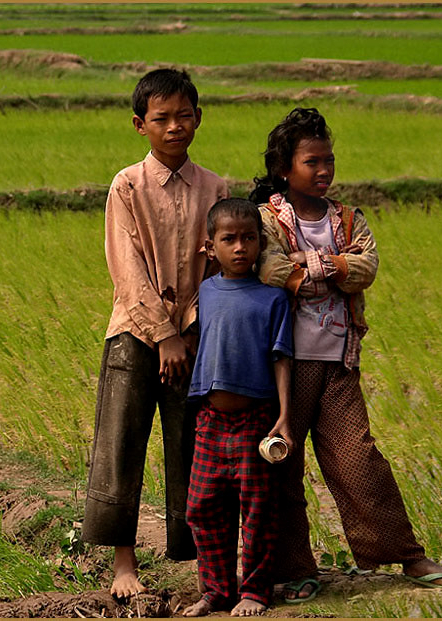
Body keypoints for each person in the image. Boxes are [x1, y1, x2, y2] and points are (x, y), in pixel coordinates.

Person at [250, 107, 442, 603]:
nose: (324, 170)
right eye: (312, 162)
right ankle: (294, 567)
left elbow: (367, 266)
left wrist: (314, 263)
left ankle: (406, 554)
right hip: (287, 364)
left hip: (339, 362)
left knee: (359, 459)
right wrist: (332, 266)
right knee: (283, 462)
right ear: (284, 167)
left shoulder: (347, 217)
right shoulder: (267, 218)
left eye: (330, 161)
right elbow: (273, 270)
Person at [81, 68, 229, 598]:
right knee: (122, 443)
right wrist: (164, 334)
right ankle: (125, 563)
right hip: (134, 334)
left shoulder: (216, 188)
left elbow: (220, 266)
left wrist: (188, 331)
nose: (174, 127)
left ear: (198, 119)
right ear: (139, 125)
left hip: (195, 336)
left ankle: (198, 560)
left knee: (192, 446)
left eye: (183, 116)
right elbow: (126, 269)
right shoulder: (126, 186)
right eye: (161, 118)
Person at [181, 198, 294, 617]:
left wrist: (284, 416)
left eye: (249, 238)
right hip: (210, 419)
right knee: (202, 506)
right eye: (229, 239)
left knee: (258, 509)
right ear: (211, 248)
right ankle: (216, 590)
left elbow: (282, 358)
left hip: (256, 421)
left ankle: (256, 591)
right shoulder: (205, 292)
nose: (240, 247)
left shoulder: (273, 299)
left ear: (260, 243)